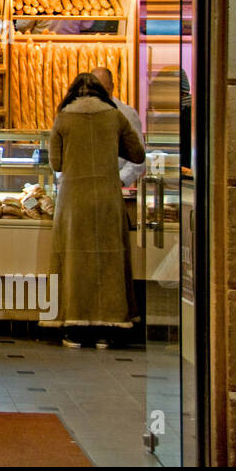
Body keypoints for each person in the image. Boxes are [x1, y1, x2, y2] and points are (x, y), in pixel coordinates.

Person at [41, 72, 146, 349]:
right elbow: (138, 155)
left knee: (74, 263)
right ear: (103, 91)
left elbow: (57, 163)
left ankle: (74, 330)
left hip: (73, 200)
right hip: (108, 198)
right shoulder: (116, 116)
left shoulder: (64, 117)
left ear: (73, 91)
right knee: (108, 263)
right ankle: (105, 331)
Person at [90, 66, 145, 187]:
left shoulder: (127, 115)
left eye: (106, 90)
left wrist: (119, 180)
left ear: (113, 87)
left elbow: (138, 159)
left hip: (115, 189)